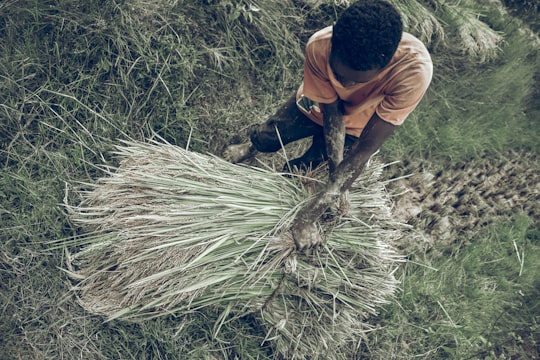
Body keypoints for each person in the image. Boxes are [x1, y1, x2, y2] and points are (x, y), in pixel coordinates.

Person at [224, 0, 433, 250]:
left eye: (354, 81)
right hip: (317, 104)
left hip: (359, 124)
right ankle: (251, 146)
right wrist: (335, 169)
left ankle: (279, 189)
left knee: (308, 169)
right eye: (339, 74)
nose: (343, 83)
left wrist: (316, 208)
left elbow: (364, 149)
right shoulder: (319, 45)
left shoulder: (413, 73)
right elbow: (331, 111)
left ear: (386, 65)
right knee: (271, 135)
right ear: (334, 40)